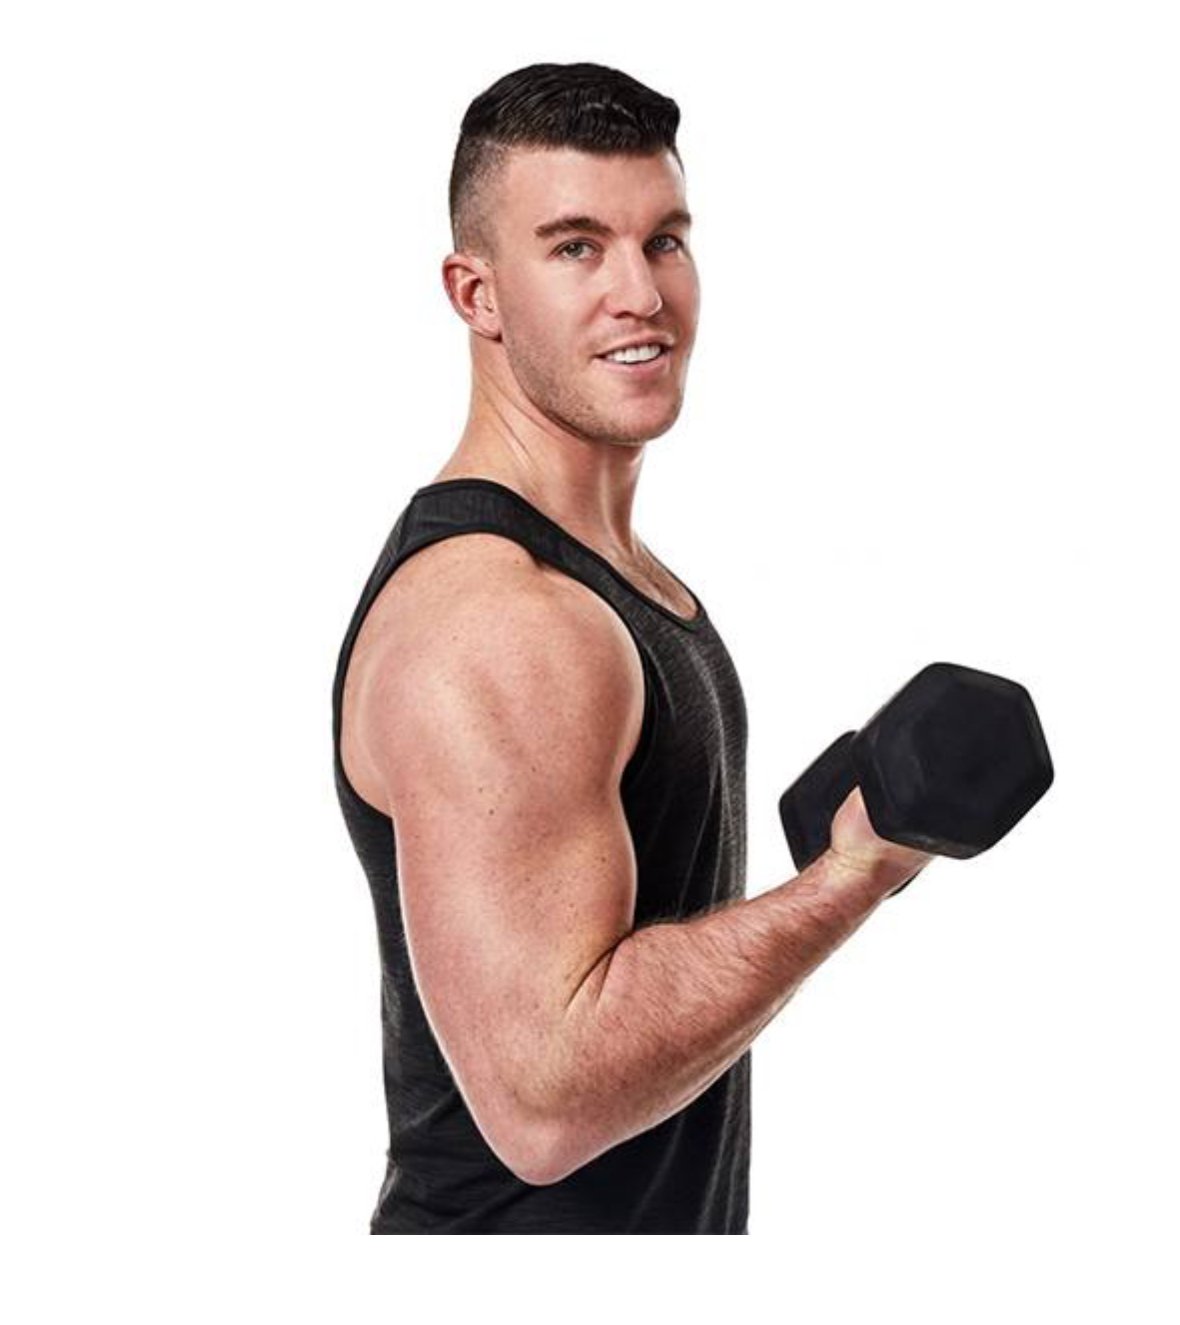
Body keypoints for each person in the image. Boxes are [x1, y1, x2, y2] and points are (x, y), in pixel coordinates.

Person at [331, 61, 931, 1234]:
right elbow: (543, 1103)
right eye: (573, 247)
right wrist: (850, 877)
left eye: (662, 240)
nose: (638, 293)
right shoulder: (499, 618)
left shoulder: (609, 575)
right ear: (476, 293)